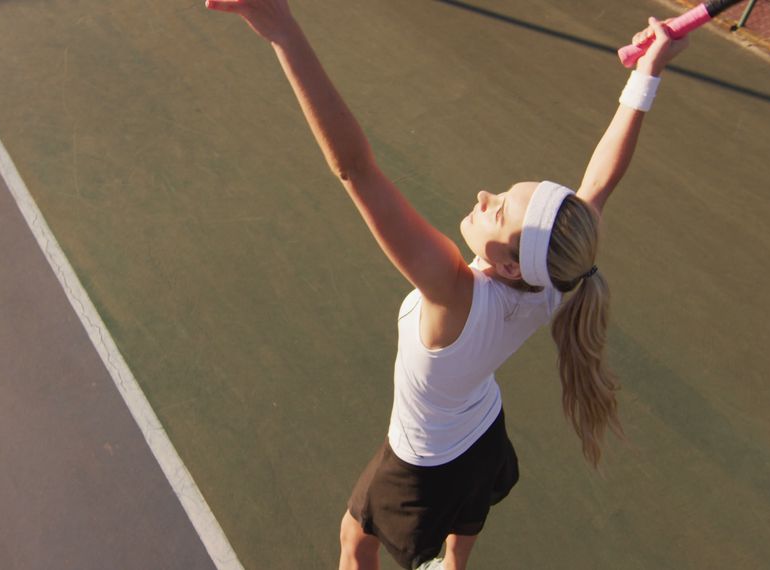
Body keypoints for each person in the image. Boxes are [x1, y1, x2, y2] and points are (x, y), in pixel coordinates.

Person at [205, 1, 689, 568]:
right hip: (481, 430)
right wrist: (646, 72)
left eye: (499, 209)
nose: (486, 196)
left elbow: (355, 169)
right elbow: (600, 183)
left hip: (420, 461)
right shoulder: (561, 274)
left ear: (511, 265)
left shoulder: (453, 292)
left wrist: (282, 31)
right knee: (466, 518)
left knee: (353, 542)